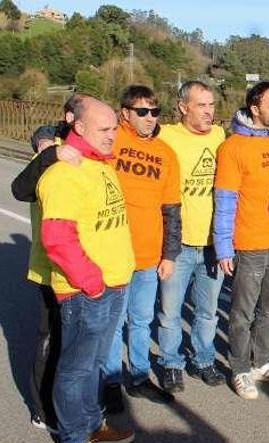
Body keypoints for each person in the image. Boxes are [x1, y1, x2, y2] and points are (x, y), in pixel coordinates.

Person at [37, 97, 136, 443]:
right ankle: (73, 441)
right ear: (77, 127)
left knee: (94, 363)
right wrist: (92, 284)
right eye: (104, 129)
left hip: (113, 283)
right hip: (86, 290)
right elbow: (58, 239)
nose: (113, 136)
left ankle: (94, 424)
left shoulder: (100, 164)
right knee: (76, 367)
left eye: (114, 128)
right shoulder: (65, 173)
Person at [214, 81, 269, 400]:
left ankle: (262, 362)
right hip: (250, 242)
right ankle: (239, 369)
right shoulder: (233, 147)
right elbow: (225, 200)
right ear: (254, 108)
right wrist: (223, 246)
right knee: (242, 312)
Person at [101, 85, 180, 412]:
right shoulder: (110, 139)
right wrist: (45, 140)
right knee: (113, 321)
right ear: (125, 113)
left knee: (141, 319)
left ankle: (138, 375)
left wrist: (169, 254)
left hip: (149, 254)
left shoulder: (166, 153)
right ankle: (109, 381)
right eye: (142, 112)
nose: (150, 118)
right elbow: (70, 128)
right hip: (113, 251)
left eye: (155, 111)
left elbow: (172, 208)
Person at [11, 95, 85, 433]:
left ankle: (73, 401)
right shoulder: (50, 150)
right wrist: (48, 150)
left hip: (87, 263)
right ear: (71, 118)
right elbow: (19, 188)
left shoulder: (93, 150)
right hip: (51, 264)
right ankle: (41, 407)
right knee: (51, 336)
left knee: (77, 340)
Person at [156, 81, 227, 393]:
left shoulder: (221, 136)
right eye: (201, 105)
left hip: (213, 243)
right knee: (170, 310)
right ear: (183, 107)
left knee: (207, 310)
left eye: (211, 105)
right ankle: (171, 363)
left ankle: (203, 358)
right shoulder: (167, 136)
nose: (209, 112)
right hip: (179, 243)